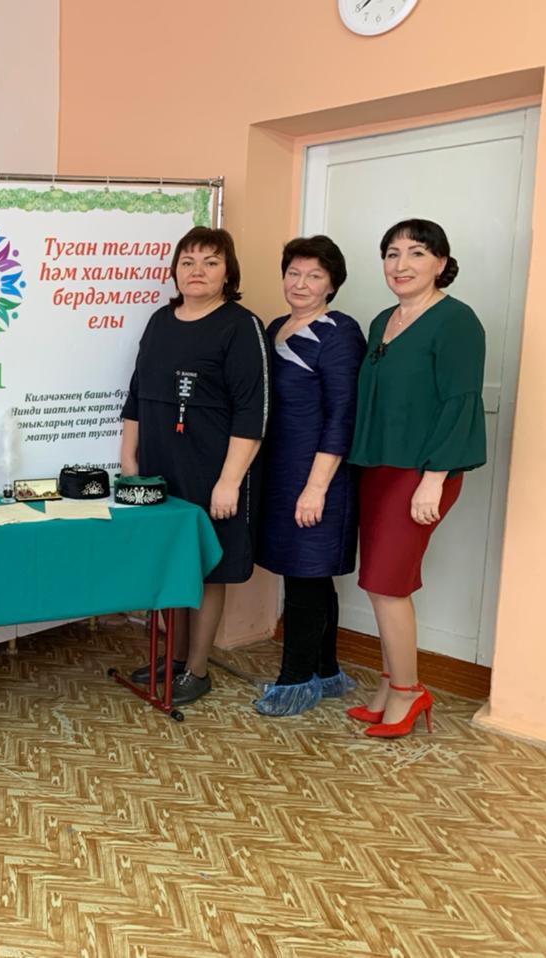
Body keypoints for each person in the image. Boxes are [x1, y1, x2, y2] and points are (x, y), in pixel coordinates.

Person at [345, 219, 485, 738]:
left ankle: (408, 691)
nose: (401, 264)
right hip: (379, 467)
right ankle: (390, 685)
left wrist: (434, 478)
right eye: (392, 253)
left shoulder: (457, 321)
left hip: (423, 471)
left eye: (416, 253)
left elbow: (460, 402)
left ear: (441, 263)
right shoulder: (383, 320)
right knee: (378, 582)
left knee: (388, 584)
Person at [120, 226, 269, 707]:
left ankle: (197, 670)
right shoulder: (160, 321)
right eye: (188, 261)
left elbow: (253, 412)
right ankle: (173, 658)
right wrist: (128, 459)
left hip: (214, 471)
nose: (197, 271)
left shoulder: (241, 327)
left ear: (228, 272)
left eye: (210, 262)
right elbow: (137, 393)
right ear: (175, 271)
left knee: (208, 569)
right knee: (171, 563)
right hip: (160, 467)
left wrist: (230, 481)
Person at [255, 236, 366, 716]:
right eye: (294, 273)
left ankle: (295, 682)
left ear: (332, 284)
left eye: (314, 276)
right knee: (310, 575)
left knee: (306, 573)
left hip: (320, 473)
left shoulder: (340, 332)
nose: (301, 284)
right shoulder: (275, 327)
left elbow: (343, 415)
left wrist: (316, 487)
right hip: (281, 471)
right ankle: (325, 670)